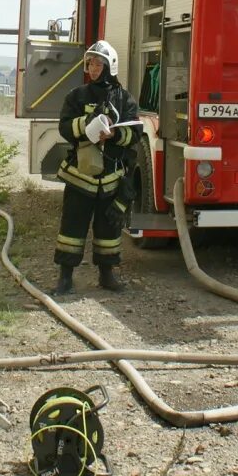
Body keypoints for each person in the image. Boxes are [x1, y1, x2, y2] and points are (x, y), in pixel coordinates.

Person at [53, 41, 142, 295]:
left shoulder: (124, 100)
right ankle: (65, 278)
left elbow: (135, 133)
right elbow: (65, 128)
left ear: (109, 66)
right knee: (72, 227)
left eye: (98, 64)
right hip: (80, 177)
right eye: (90, 63)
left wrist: (113, 135)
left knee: (109, 230)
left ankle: (107, 275)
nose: (92, 69)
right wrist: (87, 125)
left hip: (112, 178)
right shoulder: (77, 96)